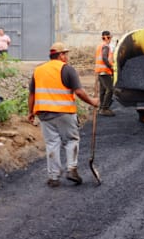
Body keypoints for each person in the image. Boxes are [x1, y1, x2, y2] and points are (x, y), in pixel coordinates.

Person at [28, 42, 99, 187]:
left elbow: (32, 94)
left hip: (44, 114)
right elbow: (79, 92)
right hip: (64, 113)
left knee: (52, 143)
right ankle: (72, 169)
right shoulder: (67, 69)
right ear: (61, 55)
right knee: (71, 140)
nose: (67, 57)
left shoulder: (38, 70)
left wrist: (30, 112)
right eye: (66, 54)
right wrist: (92, 101)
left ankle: (53, 177)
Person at [95, 30, 115, 117]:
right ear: (106, 37)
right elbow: (104, 58)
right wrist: (111, 67)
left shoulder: (100, 45)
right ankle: (104, 108)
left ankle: (101, 108)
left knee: (103, 90)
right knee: (110, 89)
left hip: (100, 71)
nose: (110, 39)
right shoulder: (106, 46)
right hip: (105, 71)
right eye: (110, 37)